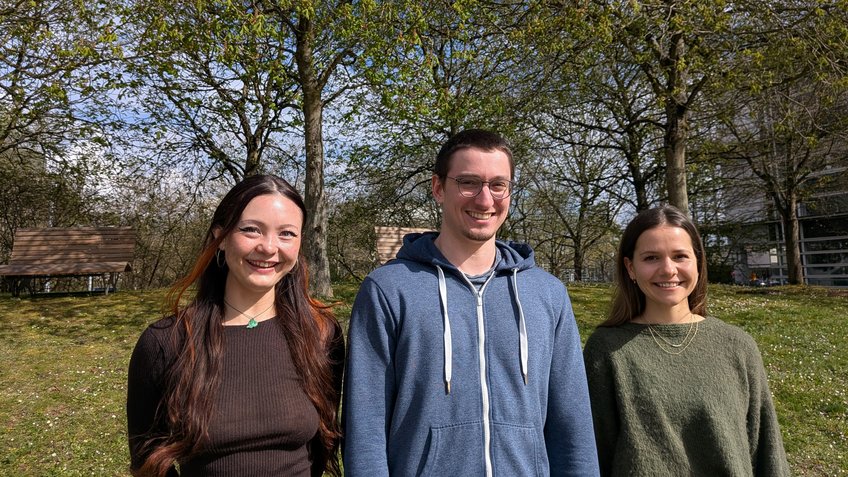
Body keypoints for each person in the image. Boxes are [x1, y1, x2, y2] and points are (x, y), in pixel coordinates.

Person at [342, 129, 600, 476]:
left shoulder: (548, 294)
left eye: (498, 185)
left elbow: (573, 425)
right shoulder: (388, 290)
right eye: (468, 183)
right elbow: (366, 427)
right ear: (438, 188)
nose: (484, 200)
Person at [126, 175, 344, 477]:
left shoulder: (321, 335)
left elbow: (324, 444)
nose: (269, 247)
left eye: (287, 234)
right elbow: (147, 463)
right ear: (222, 236)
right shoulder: (165, 343)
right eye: (251, 230)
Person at [583, 205, 789, 476]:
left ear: (698, 262)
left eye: (680, 256)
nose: (668, 269)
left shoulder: (737, 345)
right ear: (630, 267)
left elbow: (767, 451)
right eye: (651, 258)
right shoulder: (606, 350)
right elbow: (593, 456)